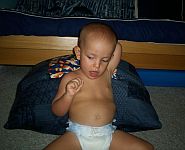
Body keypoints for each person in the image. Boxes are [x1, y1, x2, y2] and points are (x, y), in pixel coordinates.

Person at [44, 22, 154, 150]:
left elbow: (118, 47)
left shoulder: (107, 73)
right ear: (78, 53)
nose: (97, 66)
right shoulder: (70, 78)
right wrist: (68, 95)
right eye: (91, 57)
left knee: (146, 148)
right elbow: (57, 111)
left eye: (104, 60)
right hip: (77, 136)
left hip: (109, 134)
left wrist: (105, 43)